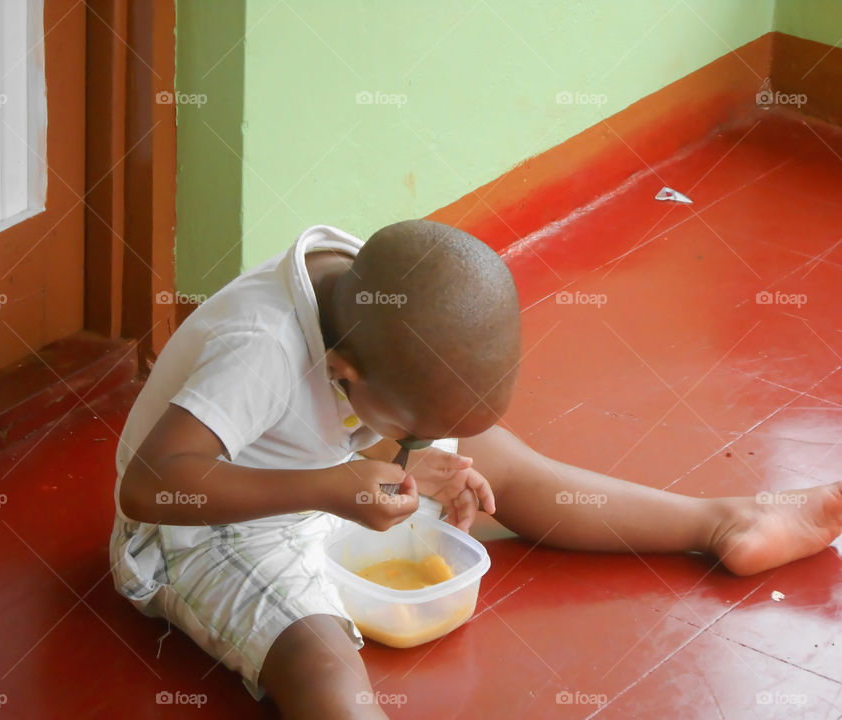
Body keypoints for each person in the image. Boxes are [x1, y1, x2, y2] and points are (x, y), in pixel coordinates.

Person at [110, 220, 842, 719]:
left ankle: (724, 520)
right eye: (415, 430)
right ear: (344, 372)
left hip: (323, 461)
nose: (426, 444)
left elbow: (385, 417)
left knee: (509, 471)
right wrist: (331, 486)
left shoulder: (381, 307)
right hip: (208, 524)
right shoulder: (262, 349)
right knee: (321, 659)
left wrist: (407, 451)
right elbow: (150, 485)